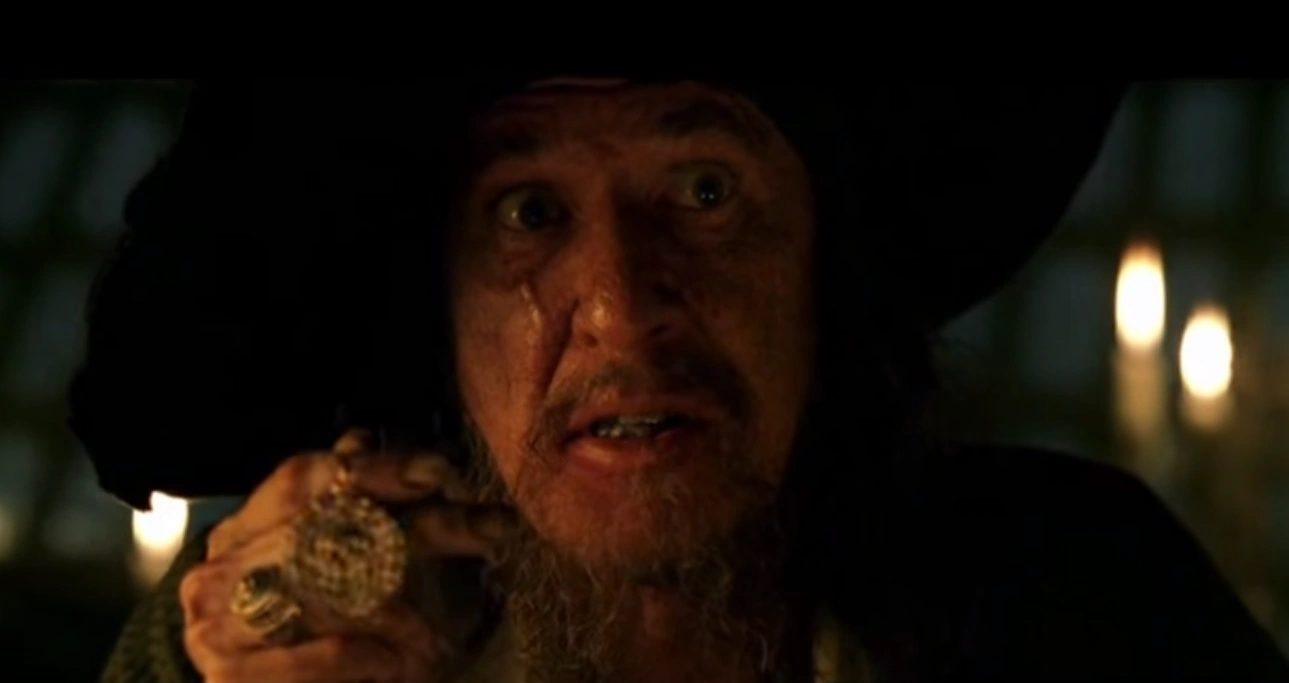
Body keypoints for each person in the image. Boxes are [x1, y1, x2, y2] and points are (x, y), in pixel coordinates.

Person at [74, 74, 1288, 682]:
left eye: (705, 190)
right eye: (528, 210)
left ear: (821, 268)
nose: (620, 305)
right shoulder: (267, 630)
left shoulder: (1083, 594)